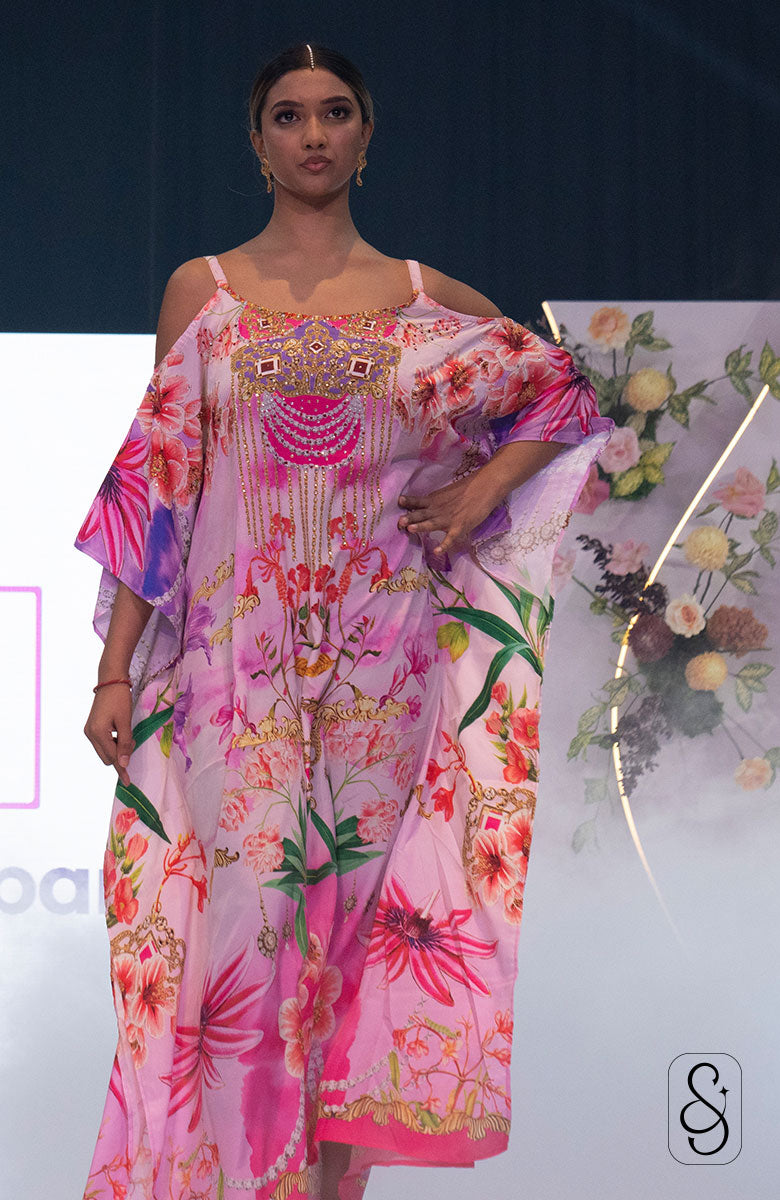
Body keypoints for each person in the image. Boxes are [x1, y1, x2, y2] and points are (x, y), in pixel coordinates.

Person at [76, 42, 611, 1200]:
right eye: (287, 115)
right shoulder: (202, 291)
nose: (312, 134)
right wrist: (115, 672)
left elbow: (565, 397)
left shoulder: (426, 297)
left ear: (367, 137)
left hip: (387, 679)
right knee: (247, 948)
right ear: (255, 141)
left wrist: (475, 494)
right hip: (234, 682)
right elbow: (154, 482)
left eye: (334, 114)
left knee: (344, 960)